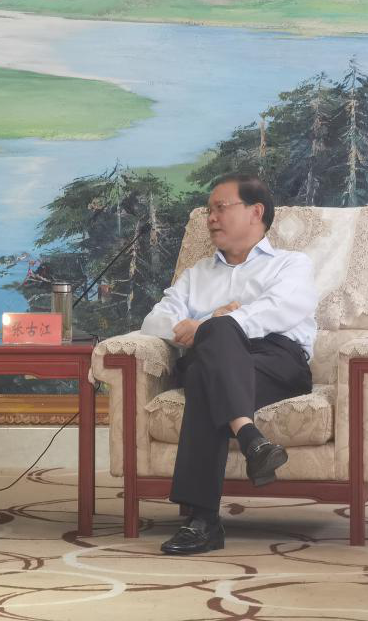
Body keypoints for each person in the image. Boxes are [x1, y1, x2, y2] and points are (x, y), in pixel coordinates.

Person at [140, 173, 317, 555]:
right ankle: (251, 439)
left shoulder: (291, 264)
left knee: (206, 365)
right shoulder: (197, 274)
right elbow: (154, 322)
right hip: (210, 361)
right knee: (206, 363)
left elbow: (280, 309)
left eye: (220, 208)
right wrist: (211, 325)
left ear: (256, 211)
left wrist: (210, 324)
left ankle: (202, 521)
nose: (211, 218)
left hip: (276, 362)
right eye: (209, 210)